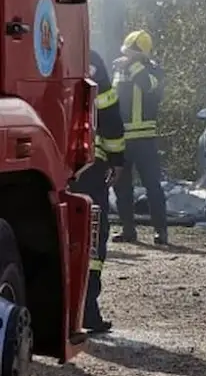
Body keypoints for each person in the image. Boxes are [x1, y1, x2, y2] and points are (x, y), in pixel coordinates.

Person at [74, 49, 126, 334]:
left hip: (44, 163)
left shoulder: (31, 51)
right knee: (91, 237)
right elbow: (108, 114)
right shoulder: (89, 59)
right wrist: (117, 161)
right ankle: (87, 311)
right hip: (89, 166)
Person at [110, 30, 169, 246]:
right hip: (121, 140)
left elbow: (147, 86)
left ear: (143, 55)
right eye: (127, 53)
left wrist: (132, 65)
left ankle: (161, 232)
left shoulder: (154, 71)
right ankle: (128, 230)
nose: (128, 57)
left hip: (144, 140)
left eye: (133, 53)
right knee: (122, 187)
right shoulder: (120, 71)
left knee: (153, 186)